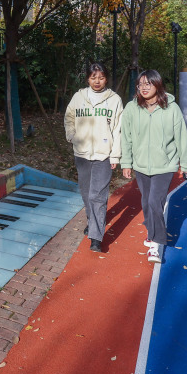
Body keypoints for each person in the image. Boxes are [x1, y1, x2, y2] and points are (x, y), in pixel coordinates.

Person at [120, 69, 187, 264]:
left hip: (166, 165)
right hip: (141, 165)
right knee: (146, 202)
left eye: (148, 84)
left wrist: (186, 165)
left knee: (155, 201)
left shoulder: (172, 108)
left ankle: (155, 243)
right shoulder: (131, 108)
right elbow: (125, 138)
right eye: (140, 84)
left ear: (158, 85)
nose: (143, 88)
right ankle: (152, 230)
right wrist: (126, 162)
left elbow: (181, 138)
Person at [64, 62, 123, 253]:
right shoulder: (78, 97)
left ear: (106, 78)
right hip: (81, 153)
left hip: (103, 154)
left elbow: (118, 129)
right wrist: (72, 135)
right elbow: (69, 117)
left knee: (97, 196)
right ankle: (93, 221)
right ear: (87, 78)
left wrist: (115, 155)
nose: (97, 81)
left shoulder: (114, 100)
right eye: (93, 77)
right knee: (86, 193)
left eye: (101, 77)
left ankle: (96, 237)